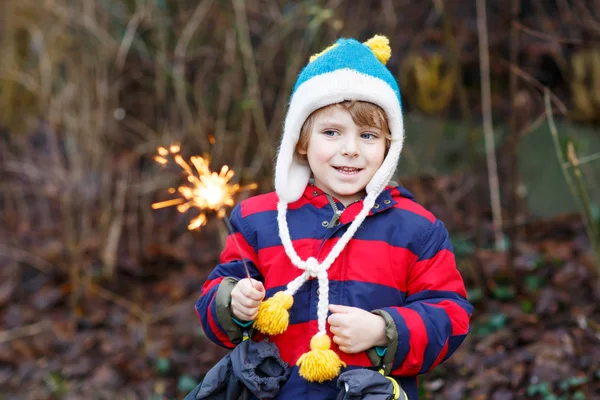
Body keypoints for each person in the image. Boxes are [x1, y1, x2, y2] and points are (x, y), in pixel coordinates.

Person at [196, 35, 472, 400]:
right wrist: (233, 303)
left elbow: (450, 315)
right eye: (331, 132)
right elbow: (213, 304)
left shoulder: (417, 229)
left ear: (390, 145)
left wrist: (383, 330)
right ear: (300, 140)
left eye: (369, 135)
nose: (351, 149)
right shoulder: (258, 219)